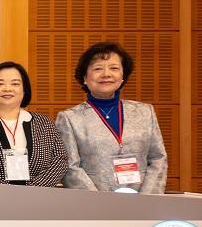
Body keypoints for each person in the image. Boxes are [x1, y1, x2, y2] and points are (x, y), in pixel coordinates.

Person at [55, 41, 167, 193]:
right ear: (85, 78)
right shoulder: (69, 119)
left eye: (114, 68)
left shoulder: (145, 112)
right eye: (98, 68)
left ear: (122, 76)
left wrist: (146, 198)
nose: (106, 74)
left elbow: (158, 159)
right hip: (95, 206)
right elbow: (70, 167)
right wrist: (102, 203)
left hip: (144, 202)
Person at [0, 61, 67, 187]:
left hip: (39, 198)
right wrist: (3, 189)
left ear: (24, 90)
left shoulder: (44, 123)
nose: (7, 88)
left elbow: (60, 160)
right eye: (0, 84)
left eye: (15, 84)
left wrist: (33, 189)